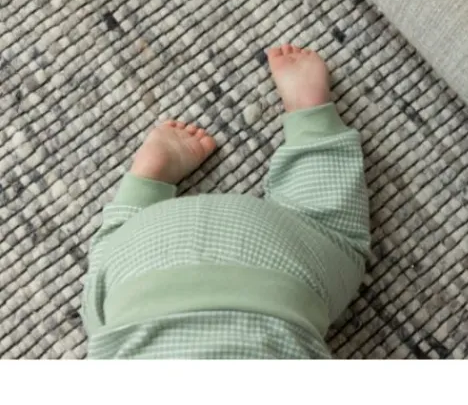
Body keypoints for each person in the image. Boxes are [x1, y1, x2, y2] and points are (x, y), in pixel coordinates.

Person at [81, 45, 371, 358]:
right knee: (101, 305)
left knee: (335, 236)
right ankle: (141, 191)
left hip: (282, 277)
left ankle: (312, 119)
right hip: (137, 265)